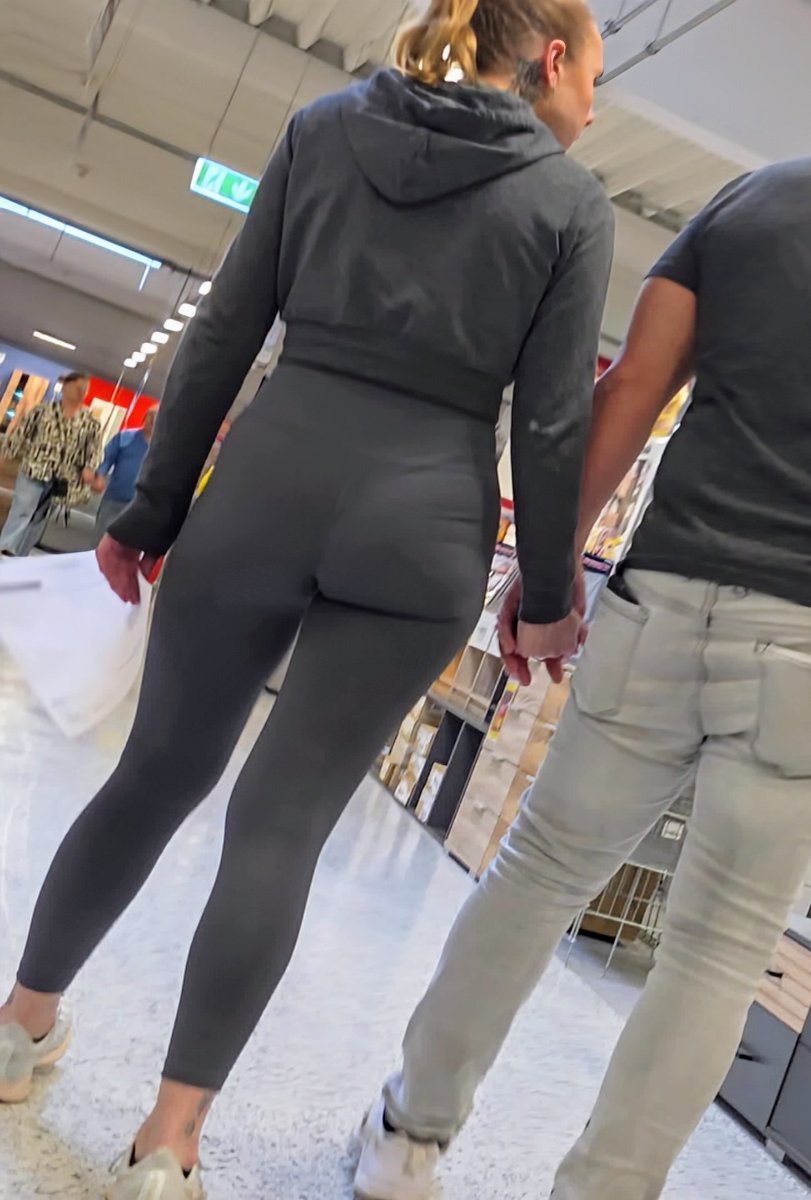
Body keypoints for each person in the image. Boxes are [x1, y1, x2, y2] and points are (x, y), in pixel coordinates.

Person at [0, 1, 609, 1195]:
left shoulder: (324, 129)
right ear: (549, 60)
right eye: (595, 74)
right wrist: (545, 594)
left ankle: (18, 1029)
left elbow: (227, 331)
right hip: (422, 521)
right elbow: (549, 422)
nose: (593, 102)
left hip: (265, 489)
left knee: (152, 775)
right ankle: (168, 1144)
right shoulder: (567, 204)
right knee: (281, 823)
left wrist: (151, 511)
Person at [356, 157, 811, 1200]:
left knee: (537, 874)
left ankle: (405, 1140)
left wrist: (548, 572)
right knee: (718, 951)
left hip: (664, 600)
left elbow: (634, 386)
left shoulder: (751, 201)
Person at [0, 372, 101, 557]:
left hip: (62, 479)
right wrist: (6, 455)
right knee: (22, 511)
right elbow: (21, 433)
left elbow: (94, 450)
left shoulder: (90, 423)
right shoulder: (43, 411)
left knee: (39, 518)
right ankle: (5, 551)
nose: (80, 391)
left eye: (84, 388)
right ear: (65, 387)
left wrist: (89, 468)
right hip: (34, 469)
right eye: (77, 386)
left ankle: (20, 557)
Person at [95, 406, 159, 535]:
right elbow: (106, 459)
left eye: (157, 417)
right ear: (144, 417)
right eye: (150, 416)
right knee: (101, 538)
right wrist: (100, 476)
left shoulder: (162, 449)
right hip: (115, 499)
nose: (152, 420)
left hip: (141, 506)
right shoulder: (125, 437)